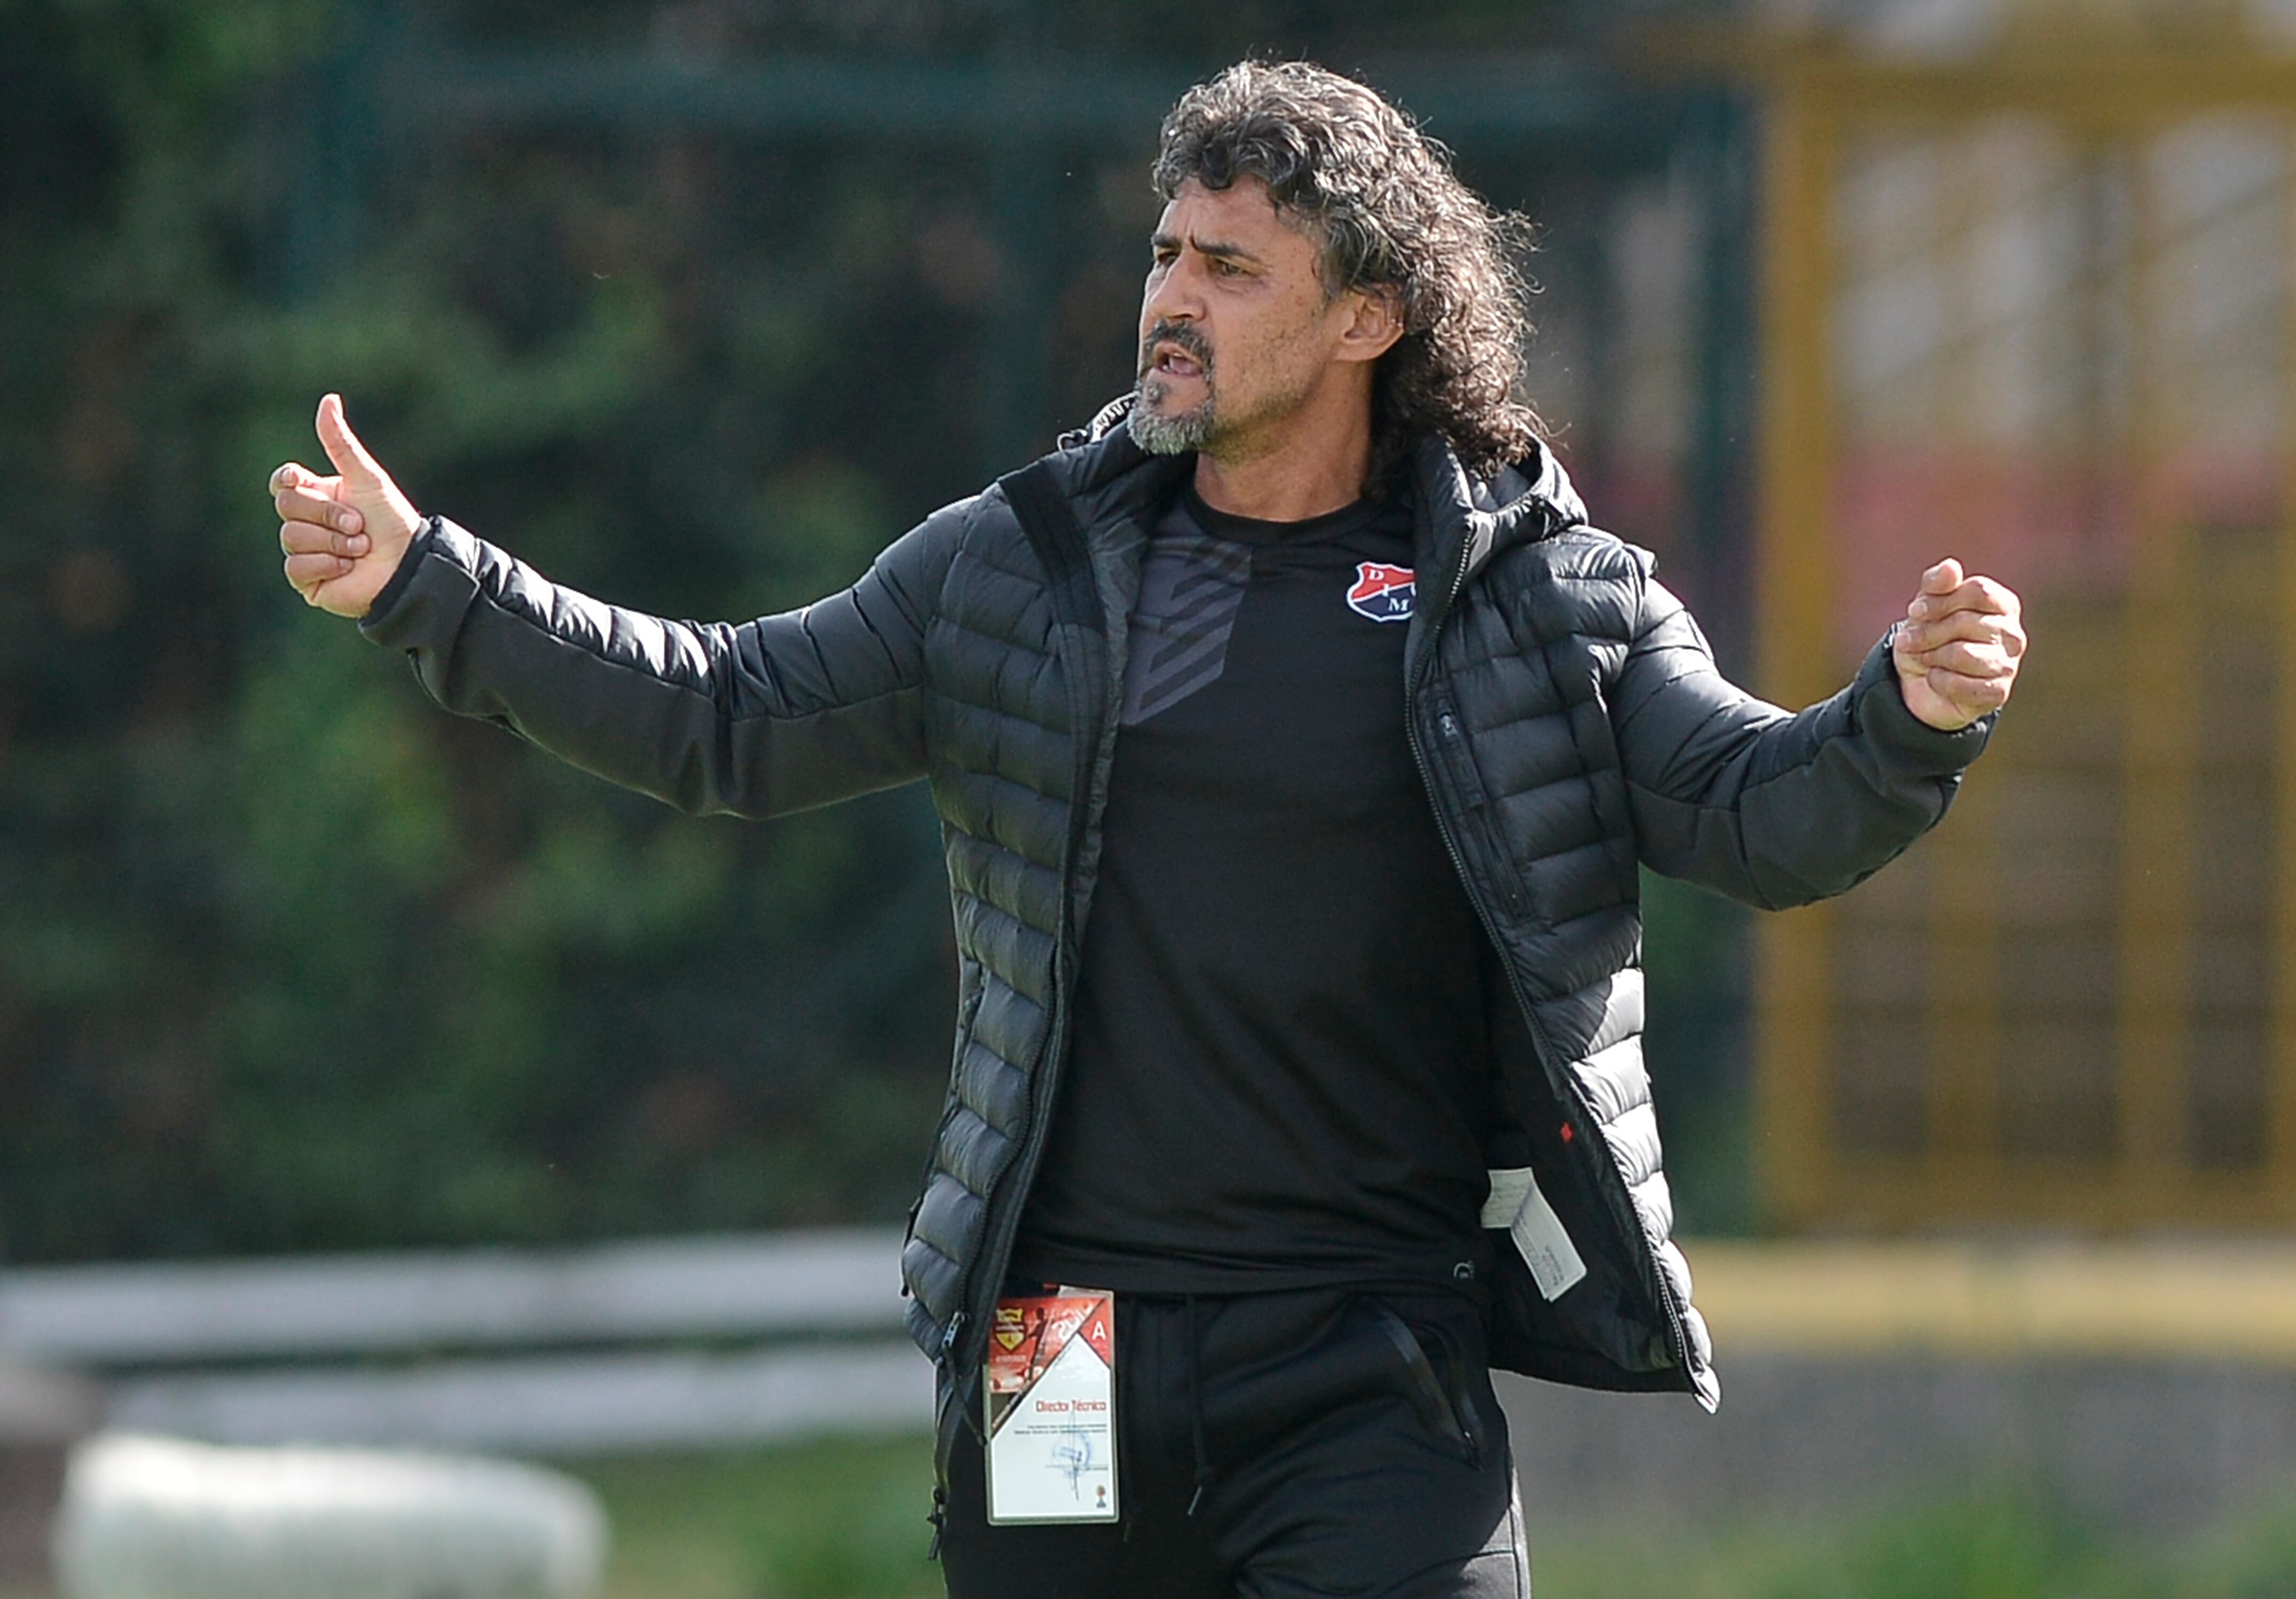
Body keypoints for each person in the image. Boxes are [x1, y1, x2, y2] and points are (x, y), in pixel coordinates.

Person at [270, 59, 2024, 1599]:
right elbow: (727, 712)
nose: (1170, 298)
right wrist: (434, 584)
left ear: (1368, 319)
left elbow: (1747, 809)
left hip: (1371, 1358)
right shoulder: (1021, 564)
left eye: (1230, 266)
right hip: (1060, 1346)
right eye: (1165, 254)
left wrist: (1906, 717)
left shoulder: (1536, 598)